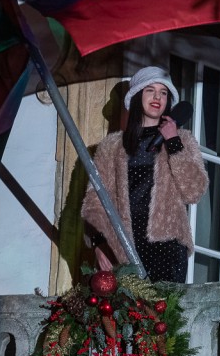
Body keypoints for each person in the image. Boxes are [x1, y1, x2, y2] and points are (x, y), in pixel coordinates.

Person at [82, 66, 208, 283]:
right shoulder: (111, 146)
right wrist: (99, 244)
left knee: (162, 305)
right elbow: (94, 201)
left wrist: (173, 142)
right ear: (137, 96)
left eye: (163, 92)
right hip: (121, 248)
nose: (157, 97)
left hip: (167, 249)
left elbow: (194, 192)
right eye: (150, 90)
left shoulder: (183, 140)